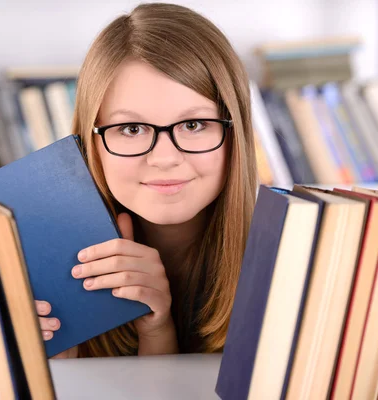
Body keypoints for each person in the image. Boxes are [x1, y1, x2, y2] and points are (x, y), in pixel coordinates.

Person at [35, 2, 258, 359]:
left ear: (235, 133)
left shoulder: (293, 264)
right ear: (90, 143)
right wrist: (55, 367)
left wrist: (158, 333)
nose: (165, 158)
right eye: (132, 128)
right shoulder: (38, 262)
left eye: (193, 125)